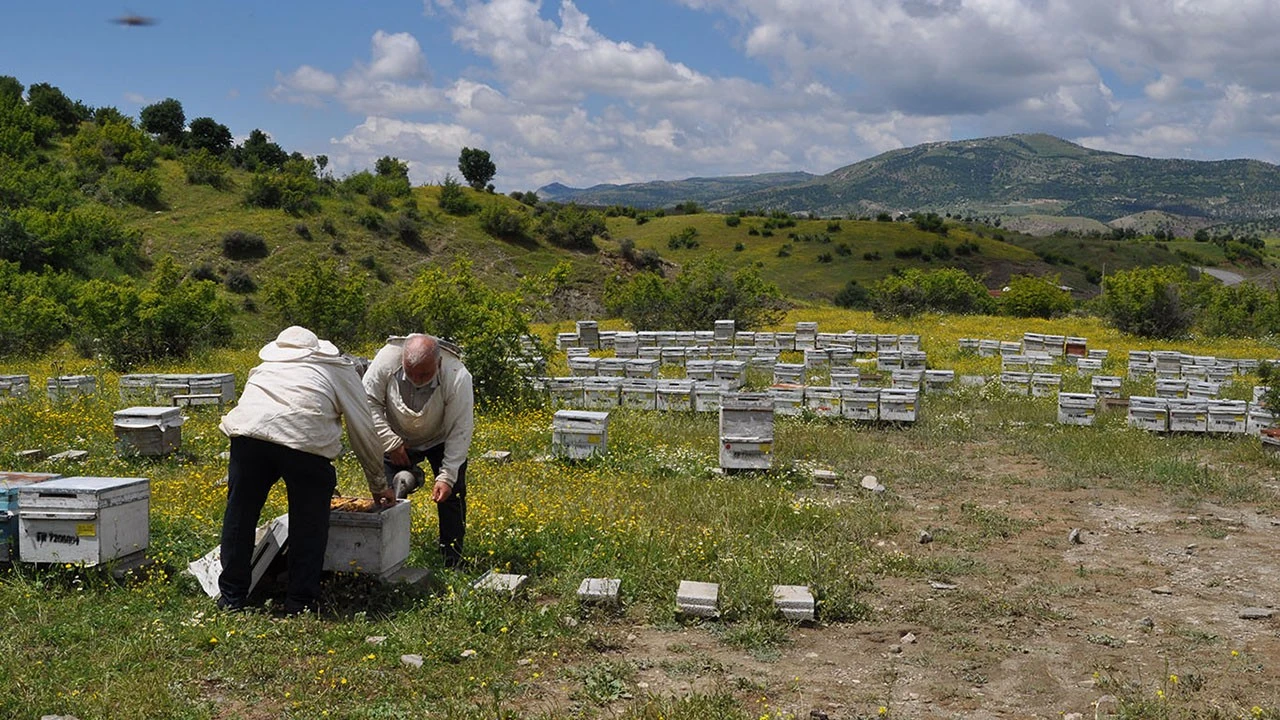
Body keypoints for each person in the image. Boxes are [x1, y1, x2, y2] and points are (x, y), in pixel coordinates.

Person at [217, 326, 393, 613]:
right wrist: (378, 483)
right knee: (308, 522)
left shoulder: (262, 368)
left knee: (240, 513)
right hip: (304, 444)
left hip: (247, 440)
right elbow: (363, 429)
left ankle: (232, 597)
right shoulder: (337, 369)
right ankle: (299, 601)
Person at [363, 333, 474, 568]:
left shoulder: (457, 375)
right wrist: (390, 443)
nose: (415, 379)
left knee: (451, 496)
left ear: (438, 363)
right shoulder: (384, 361)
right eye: (410, 372)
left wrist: (447, 476)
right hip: (395, 435)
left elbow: (460, 429)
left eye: (424, 374)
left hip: (440, 437)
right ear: (402, 360)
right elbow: (367, 403)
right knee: (386, 495)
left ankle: (452, 560)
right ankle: (385, 561)